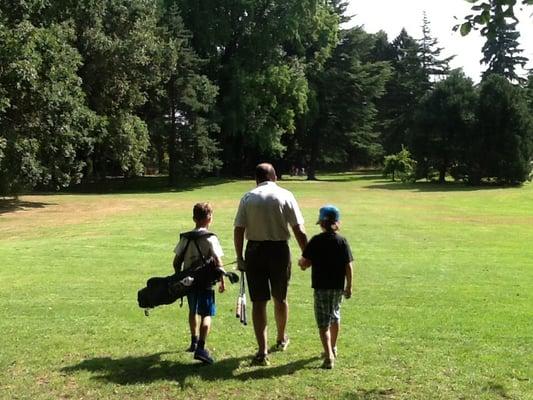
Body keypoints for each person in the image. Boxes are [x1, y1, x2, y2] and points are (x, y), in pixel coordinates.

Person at [234, 163, 308, 366]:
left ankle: (262, 350)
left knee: (258, 302)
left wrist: (240, 257)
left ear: (256, 179)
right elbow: (299, 230)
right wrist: (307, 255)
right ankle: (281, 338)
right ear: (275, 176)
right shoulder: (285, 195)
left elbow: (239, 229)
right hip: (279, 251)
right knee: (280, 298)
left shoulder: (248, 197)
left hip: (254, 251)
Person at [298, 205, 353, 369]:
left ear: (321, 223)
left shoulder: (316, 241)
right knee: (335, 316)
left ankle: (328, 355)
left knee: (323, 323)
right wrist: (349, 286)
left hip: (321, 287)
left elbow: (305, 262)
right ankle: (333, 347)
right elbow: (348, 266)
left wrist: (301, 264)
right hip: (337, 287)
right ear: (336, 222)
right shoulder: (342, 241)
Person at [173, 202, 225, 365]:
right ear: (209, 218)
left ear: (194, 218)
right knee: (207, 314)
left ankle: (193, 341)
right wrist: (222, 280)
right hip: (206, 281)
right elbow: (218, 261)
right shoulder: (210, 238)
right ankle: (201, 348)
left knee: (192, 310)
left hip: (188, 281)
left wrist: (179, 276)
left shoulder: (185, 238)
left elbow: (176, 261)